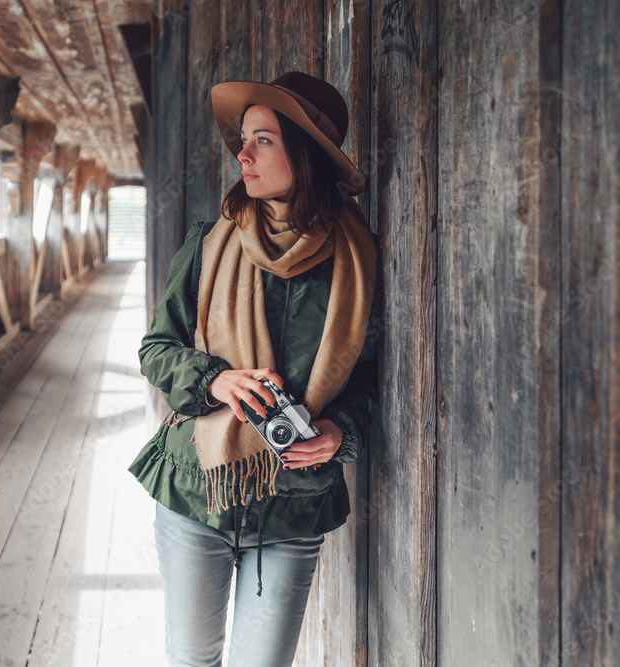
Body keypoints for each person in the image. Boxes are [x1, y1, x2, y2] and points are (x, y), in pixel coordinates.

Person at [128, 71, 378, 666]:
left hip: (294, 504)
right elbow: (156, 349)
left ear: (306, 151)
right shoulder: (210, 244)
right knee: (193, 660)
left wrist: (342, 433)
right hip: (198, 490)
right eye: (244, 138)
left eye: (262, 139)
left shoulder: (359, 262)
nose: (242, 153)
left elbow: (371, 379)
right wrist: (216, 378)